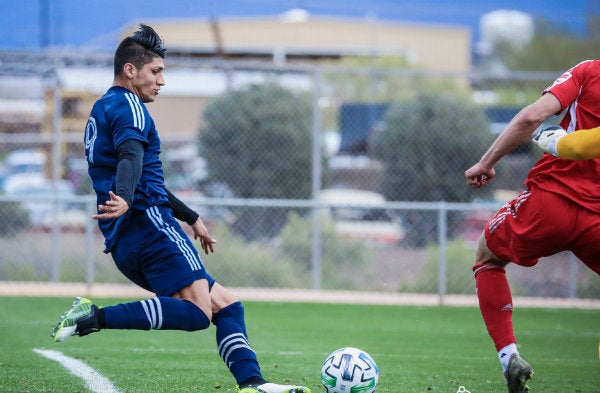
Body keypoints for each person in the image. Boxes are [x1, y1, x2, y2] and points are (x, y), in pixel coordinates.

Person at [50, 24, 311, 393]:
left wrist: (191, 217)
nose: (162, 81)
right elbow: (130, 159)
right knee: (197, 314)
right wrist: (125, 195)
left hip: (129, 237)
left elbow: (143, 177)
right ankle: (93, 318)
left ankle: (252, 383)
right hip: (150, 226)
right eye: (156, 71)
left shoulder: (102, 107)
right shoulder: (130, 107)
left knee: (227, 306)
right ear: (130, 70)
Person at [464, 59, 600, 393]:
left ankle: (509, 356)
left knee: (488, 256)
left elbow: (531, 117)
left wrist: (486, 162)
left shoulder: (590, 71)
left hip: (550, 203)